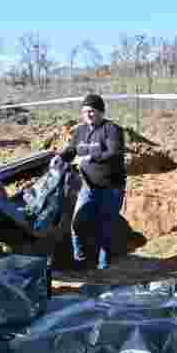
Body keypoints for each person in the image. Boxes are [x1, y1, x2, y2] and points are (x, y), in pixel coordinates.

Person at [50, 93, 126, 270]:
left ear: (101, 112)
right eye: (85, 111)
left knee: (105, 225)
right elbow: (71, 150)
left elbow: (114, 153)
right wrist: (60, 157)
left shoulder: (112, 129)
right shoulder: (79, 130)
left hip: (111, 186)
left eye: (92, 111)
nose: (88, 115)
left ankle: (103, 265)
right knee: (78, 222)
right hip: (88, 185)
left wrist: (91, 158)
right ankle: (80, 258)